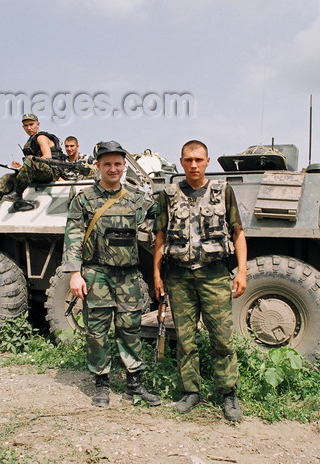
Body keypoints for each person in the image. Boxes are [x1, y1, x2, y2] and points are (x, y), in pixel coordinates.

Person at [152, 139, 247, 421]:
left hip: (214, 274)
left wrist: (242, 270)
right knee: (185, 339)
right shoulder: (168, 195)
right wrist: (157, 274)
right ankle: (191, 391)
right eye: (188, 160)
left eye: (199, 160)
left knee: (222, 338)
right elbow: (159, 236)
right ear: (181, 162)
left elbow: (238, 233)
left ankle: (228, 394)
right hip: (180, 276)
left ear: (207, 162)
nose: (193, 165)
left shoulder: (223, 192)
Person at [62, 140, 160, 407]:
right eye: (108, 164)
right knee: (97, 331)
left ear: (124, 166)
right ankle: (102, 384)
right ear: (98, 166)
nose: (113, 168)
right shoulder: (84, 199)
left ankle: (134, 384)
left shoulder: (137, 199)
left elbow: (162, 215)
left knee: (130, 329)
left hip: (128, 275)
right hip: (96, 274)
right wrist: (74, 274)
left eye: (118, 163)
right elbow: (72, 236)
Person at [0, 114, 62, 214]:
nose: (29, 128)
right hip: (39, 171)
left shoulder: (41, 137)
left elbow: (47, 157)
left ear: (38, 124)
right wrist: (21, 167)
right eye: (26, 125)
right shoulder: (31, 140)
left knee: (29, 160)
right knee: (8, 177)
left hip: (52, 172)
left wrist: (28, 164)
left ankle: (18, 194)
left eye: (31, 124)